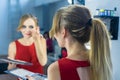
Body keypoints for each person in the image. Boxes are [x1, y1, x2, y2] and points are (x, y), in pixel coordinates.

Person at [27, 4, 112, 80]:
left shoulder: (57, 68)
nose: (55, 35)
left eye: (55, 30)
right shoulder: (100, 59)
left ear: (64, 32)